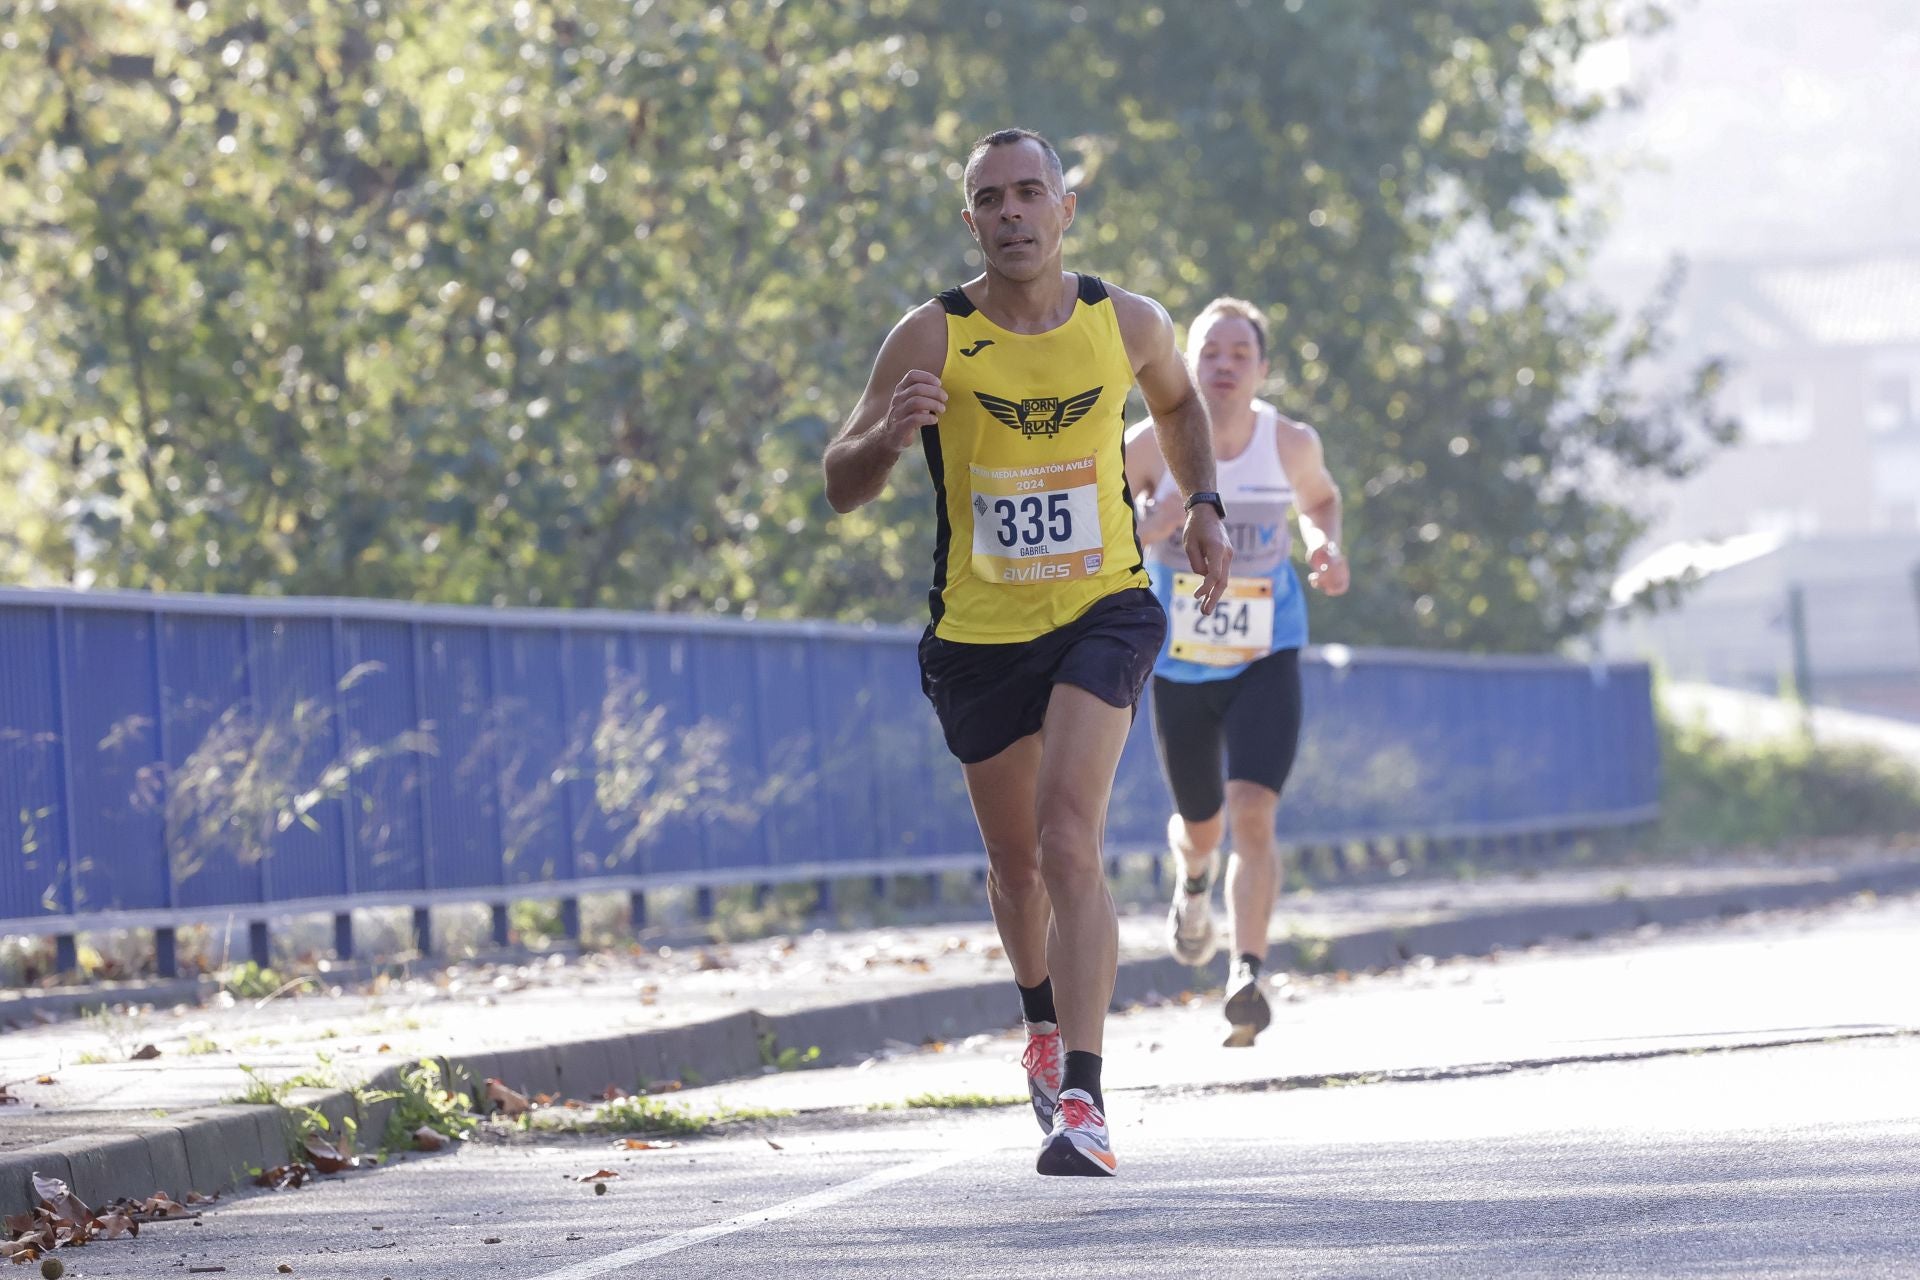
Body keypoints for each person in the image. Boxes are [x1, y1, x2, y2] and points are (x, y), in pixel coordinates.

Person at [823, 128, 1231, 1176]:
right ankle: (1042, 1024)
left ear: (1064, 209)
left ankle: (1087, 1098)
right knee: (1015, 866)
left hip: (1102, 607)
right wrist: (885, 434)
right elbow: (840, 477)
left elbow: (1179, 404)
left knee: (1067, 839)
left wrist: (1208, 506)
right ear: (971, 221)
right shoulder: (930, 336)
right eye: (990, 199)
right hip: (977, 633)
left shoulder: (1125, 319)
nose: (1011, 213)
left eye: (1029, 193)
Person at [1123, 296, 1349, 1047]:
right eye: (1208, 353)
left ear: (1263, 369)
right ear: (1185, 363)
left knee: (1254, 810)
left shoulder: (1288, 442)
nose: (1222, 366)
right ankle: (1192, 882)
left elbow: (1321, 500)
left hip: (1266, 649)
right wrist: (1150, 523)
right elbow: (1103, 537)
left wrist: (1323, 545)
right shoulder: (1146, 445)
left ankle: (1247, 969)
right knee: (1202, 826)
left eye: (1238, 355)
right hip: (1181, 660)